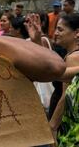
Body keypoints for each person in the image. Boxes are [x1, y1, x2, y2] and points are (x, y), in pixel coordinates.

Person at [48, 14, 79, 147]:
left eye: (60, 30)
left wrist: (53, 126)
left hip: (70, 127)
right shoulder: (70, 54)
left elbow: (64, 98)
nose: (55, 33)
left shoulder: (74, 58)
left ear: (76, 33)